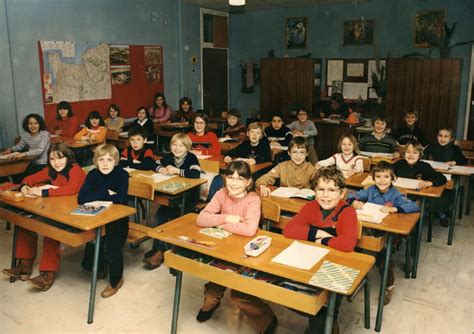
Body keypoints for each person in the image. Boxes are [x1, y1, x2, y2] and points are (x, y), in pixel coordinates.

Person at [195, 160, 278, 334]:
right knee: (213, 286)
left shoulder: (253, 199)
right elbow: (201, 219)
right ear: (225, 178)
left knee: (239, 295)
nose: (234, 182)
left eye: (240, 179)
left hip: (246, 254)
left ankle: (268, 320)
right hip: (223, 249)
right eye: (230, 177)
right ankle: (212, 302)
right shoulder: (221, 193)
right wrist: (227, 218)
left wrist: (219, 224)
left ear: (248, 182)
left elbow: (249, 230)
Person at [283, 166, 358, 333]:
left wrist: (323, 239)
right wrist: (316, 232)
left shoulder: (348, 212)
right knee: (286, 291)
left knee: (324, 312)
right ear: (315, 191)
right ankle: (322, 318)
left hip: (338, 266)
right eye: (321, 189)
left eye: (332, 190)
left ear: (342, 193)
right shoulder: (311, 207)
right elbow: (289, 230)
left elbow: (347, 245)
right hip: (313, 258)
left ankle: (327, 320)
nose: (325, 195)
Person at [1, 143, 86, 291]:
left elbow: (71, 189)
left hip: (75, 212)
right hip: (58, 208)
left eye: (60, 158)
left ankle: (48, 273)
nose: (56, 163)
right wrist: (24, 185)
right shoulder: (50, 170)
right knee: (24, 221)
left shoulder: (75, 170)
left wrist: (43, 193)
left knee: (50, 230)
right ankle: (25, 265)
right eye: (52, 159)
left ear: (68, 158)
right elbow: (31, 178)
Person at [347, 161, 420, 304]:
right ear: (373, 178)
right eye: (378, 176)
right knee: (354, 248)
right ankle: (354, 279)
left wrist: (395, 209)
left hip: (390, 233)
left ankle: (389, 285)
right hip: (371, 230)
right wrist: (354, 202)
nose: (382, 180)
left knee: (383, 257)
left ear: (393, 179)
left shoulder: (396, 194)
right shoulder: (370, 190)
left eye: (386, 177)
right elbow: (351, 195)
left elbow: (413, 206)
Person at [143, 133, 201, 269]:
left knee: (172, 220)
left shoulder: (191, 158)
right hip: (174, 197)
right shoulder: (170, 157)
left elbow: (195, 174)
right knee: (159, 217)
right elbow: (151, 163)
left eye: (181, 145)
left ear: (187, 148)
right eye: (174, 145)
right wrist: (161, 169)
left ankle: (161, 253)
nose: (177, 148)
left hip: (189, 199)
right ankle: (158, 250)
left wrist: (177, 170)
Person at [78, 144, 129, 298]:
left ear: (116, 161)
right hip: (98, 218)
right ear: (96, 161)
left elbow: (120, 199)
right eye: (101, 159)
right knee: (92, 238)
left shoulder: (122, 175)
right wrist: (106, 192)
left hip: (118, 220)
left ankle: (116, 280)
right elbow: (82, 198)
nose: (105, 163)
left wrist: (96, 193)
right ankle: (100, 266)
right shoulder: (93, 174)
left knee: (112, 246)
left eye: (109, 159)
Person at [3, 113, 50, 177]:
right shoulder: (25, 136)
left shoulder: (45, 134)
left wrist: (23, 154)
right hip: (31, 163)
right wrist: (10, 149)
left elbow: (40, 150)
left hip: (44, 164)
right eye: (30, 123)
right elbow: (19, 146)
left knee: (25, 178)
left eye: (36, 123)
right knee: (14, 176)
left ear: (40, 124)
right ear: (27, 125)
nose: (33, 126)